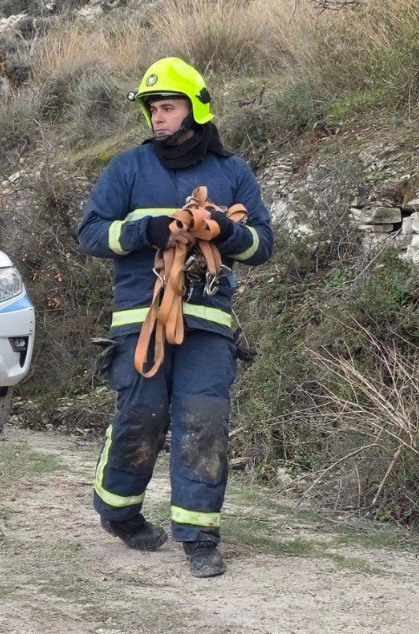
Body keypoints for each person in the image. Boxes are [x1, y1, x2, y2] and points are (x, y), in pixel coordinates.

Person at [77, 57, 275, 578]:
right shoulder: (127, 167)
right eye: (153, 109)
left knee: (205, 421)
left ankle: (199, 536)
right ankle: (119, 512)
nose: (158, 117)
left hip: (208, 321)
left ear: (196, 109)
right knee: (141, 415)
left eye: (167, 107)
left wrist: (225, 233)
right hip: (140, 318)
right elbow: (91, 233)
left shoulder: (233, 173)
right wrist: (145, 232)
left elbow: (262, 245)